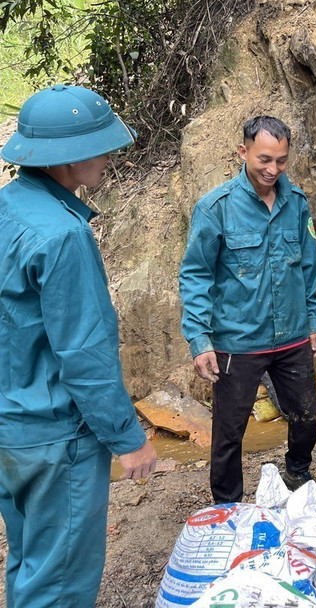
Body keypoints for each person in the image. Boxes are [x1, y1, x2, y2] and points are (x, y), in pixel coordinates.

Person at [0, 84, 157, 607]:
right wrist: (128, 438)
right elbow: (85, 354)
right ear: (67, 157)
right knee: (60, 583)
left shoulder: (8, 209)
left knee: (29, 562)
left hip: (11, 429)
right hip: (54, 436)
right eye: (102, 146)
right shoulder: (63, 236)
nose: (110, 156)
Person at [179, 115, 316, 504]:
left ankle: (297, 472)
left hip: (292, 335)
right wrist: (199, 338)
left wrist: (313, 318)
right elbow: (195, 275)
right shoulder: (216, 208)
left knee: (308, 414)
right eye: (264, 159)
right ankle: (227, 505)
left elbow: (309, 265)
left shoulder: (297, 204)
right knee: (229, 431)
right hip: (237, 340)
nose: (272, 169)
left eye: (281, 160)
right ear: (243, 152)